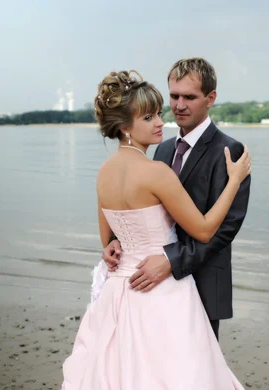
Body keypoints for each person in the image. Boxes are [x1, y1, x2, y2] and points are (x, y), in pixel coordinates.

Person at [6, 70, 269, 390]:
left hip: (121, 298)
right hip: (164, 303)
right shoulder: (156, 174)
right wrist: (236, 180)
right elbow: (201, 229)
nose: (162, 120)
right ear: (128, 125)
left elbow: (106, 239)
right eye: (151, 114)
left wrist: (112, 249)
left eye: (163, 111)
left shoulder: (106, 172)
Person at [103, 58, 250, 340]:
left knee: (196, 374)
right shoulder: (162, 148)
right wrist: (115, 240)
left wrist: (171, 261)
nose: (179, 105)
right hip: (151, 284)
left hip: (203, 281)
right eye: (174, 95)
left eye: (189, 97)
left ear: (211, 98)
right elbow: (143, 206)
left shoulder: (230, 150)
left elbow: (225, 229)